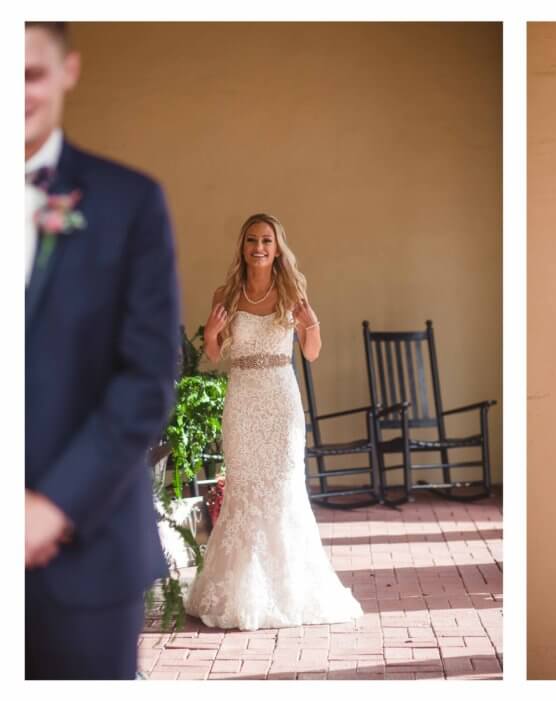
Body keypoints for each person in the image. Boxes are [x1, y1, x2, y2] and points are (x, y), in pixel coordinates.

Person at [24, 22, 180, 679]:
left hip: (83, 559)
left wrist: (52, 506)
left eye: (28, 73)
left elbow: (146, 378)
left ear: (68, 71)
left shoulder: (128, 202)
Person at [184, 213, 363, 630]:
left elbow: (313, 352)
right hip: (243, 400)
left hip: (281, 402)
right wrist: (211, 331)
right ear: (243, 247)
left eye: (267, 240)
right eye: (251, 240)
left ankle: (289, 592)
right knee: (244, 488)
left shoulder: (293, 294)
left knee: (283, 486)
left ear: (277, 247)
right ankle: (239, 589)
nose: (259, 247)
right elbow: (213, 355)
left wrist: (311, 320)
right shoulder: (225, 294)